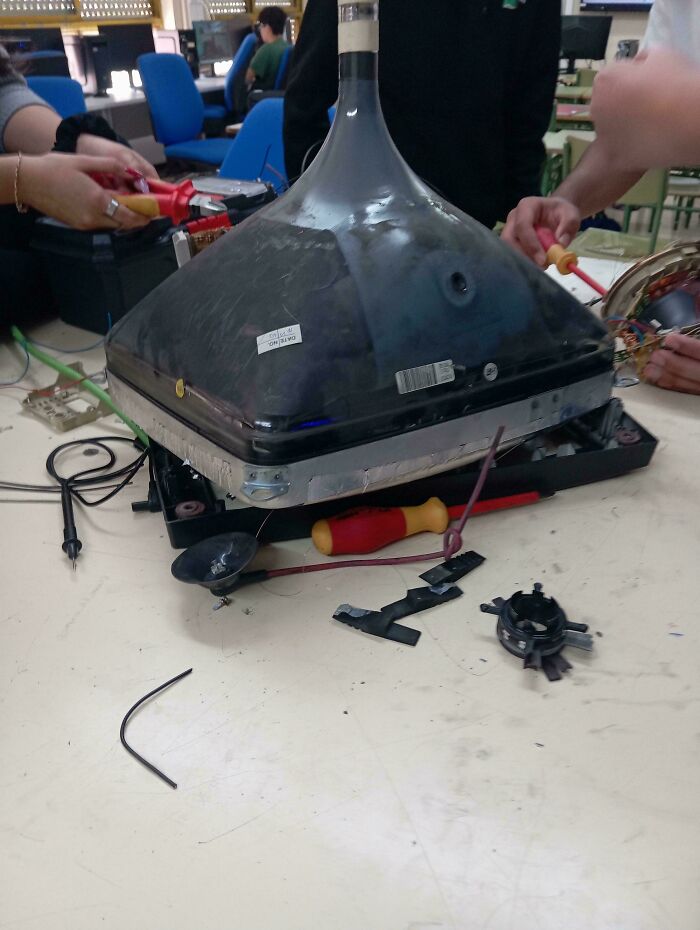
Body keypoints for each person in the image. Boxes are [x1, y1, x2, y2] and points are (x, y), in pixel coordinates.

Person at [283, 0, 562, 230]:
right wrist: (318, 218)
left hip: (478, 229)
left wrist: (520, 219)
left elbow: (528, 120)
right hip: (371, 228)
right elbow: (304, 104)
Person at [246, 6, 290, 92]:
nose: (260, 29)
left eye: (261, 26)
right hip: (279, 97)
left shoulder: (266, 50)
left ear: (267, 27)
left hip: (262, 97)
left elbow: (247, 78)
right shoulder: (289, 48)